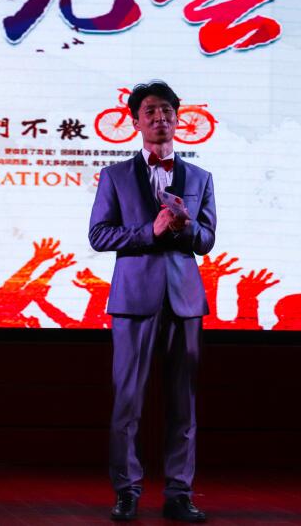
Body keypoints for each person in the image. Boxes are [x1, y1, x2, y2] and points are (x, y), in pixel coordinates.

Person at [89, 81, 216, 522]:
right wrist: (151, 231)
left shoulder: (200, 177)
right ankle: (126, 490)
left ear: (178, 119)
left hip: (185, 301)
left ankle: (180, 492)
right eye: (150, 112)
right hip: (133, 299)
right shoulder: (115, 176)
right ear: (135, 121)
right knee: (128, 401)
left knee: (184, 403)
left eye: (166, 111)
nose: (160, 118)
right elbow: (99, 235)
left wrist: (185, 227)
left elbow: (207, 239)